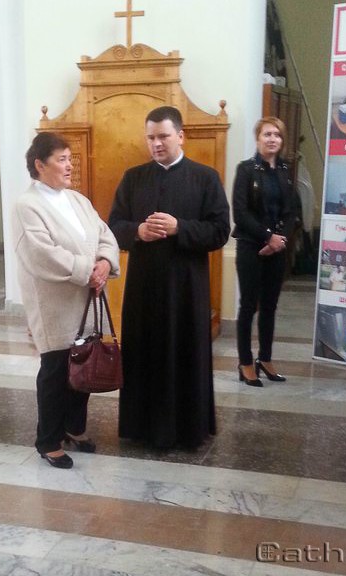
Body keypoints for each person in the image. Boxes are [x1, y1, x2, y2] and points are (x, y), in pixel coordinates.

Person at [108, 105, 230, 449]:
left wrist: (180, 228)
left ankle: (188, 430)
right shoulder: (133, 177)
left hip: (187, 288)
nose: (156, 144)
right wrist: (138, 231)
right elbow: (113, 226)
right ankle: (142, 428)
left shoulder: (205, 178)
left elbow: (220, 231)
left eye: (163, 136)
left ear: (181, 136)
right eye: (151, 138)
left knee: (184, 354)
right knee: (144, 355)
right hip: (144, 288)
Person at [12, 132, 120, 469]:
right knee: (56, 372)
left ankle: (74, 427)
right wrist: (88, 271)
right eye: (61, 159)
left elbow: (105, 235)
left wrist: (105, 263)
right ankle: (48, 440)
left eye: (70, 158)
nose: (69, 165)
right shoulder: (27, 206)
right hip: (54, 304)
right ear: (39, 165)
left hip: (86, 300)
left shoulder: (77, 200)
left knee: (84, 364)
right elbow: (41, 253)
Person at [232, 117, 298, 388]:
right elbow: (240, 213)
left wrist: (280, 240)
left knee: (270, 306)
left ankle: (266, 359)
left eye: (277, 135)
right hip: (251, 246)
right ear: (258, 138)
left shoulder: (285, 170)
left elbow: (292, 211)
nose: (272, 139)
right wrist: (268, 236)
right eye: (267, 134)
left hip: (277, 248)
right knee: (249, 306)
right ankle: (246, 362)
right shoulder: (246, 169)